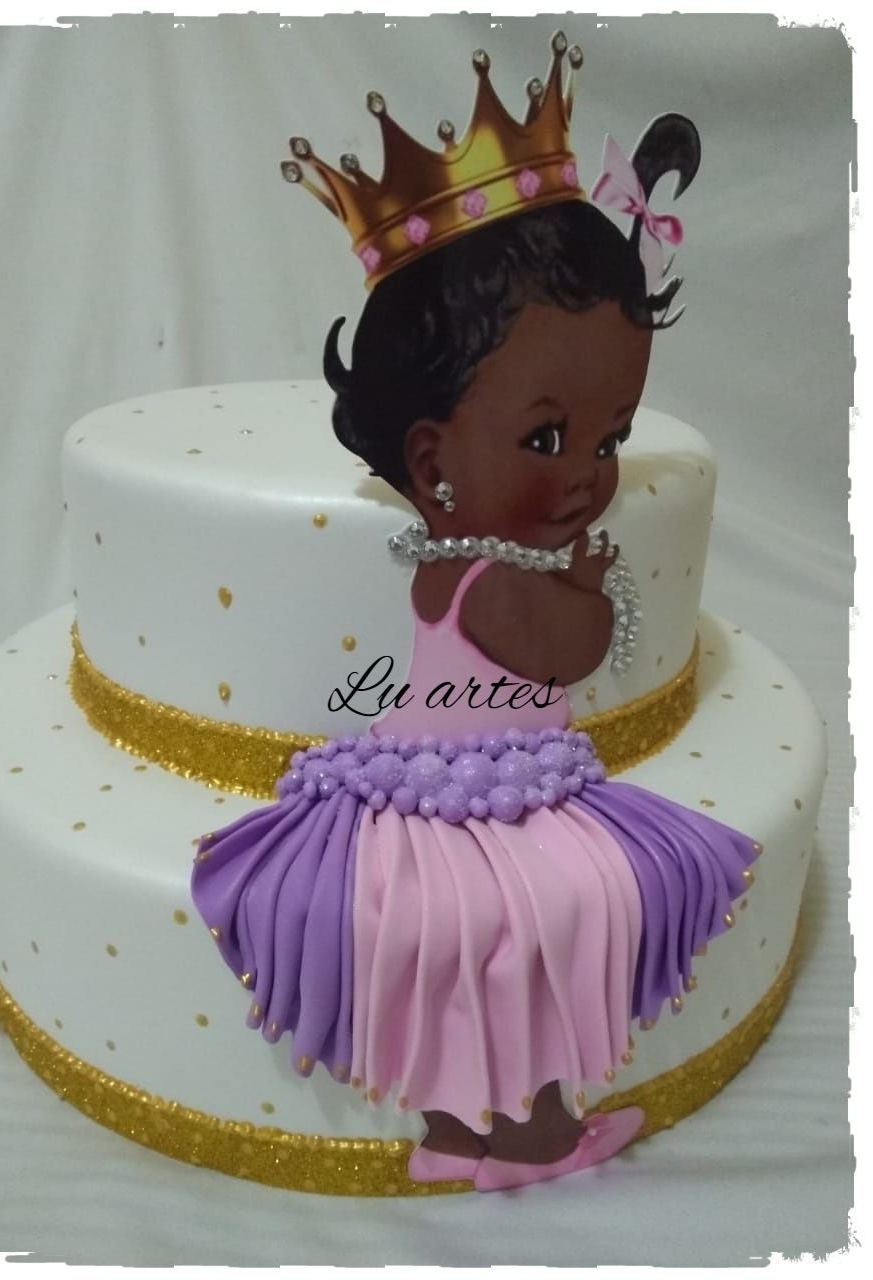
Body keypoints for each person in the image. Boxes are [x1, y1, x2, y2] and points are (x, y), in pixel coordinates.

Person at [192, 54, 760, 1193]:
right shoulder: (486, 578)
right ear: (431, 461)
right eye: (548, 438)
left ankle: (457, 1137)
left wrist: (572, 572)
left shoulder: (453, 564)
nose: (590, 472)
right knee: (529, 958)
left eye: (611, 438)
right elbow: (569, 652)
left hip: (460, 792)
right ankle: (535, 1138)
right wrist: (590, 588)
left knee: (469, 980)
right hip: (480, 808)